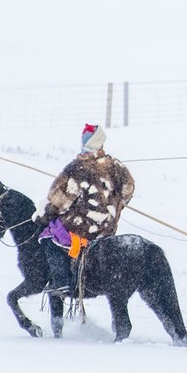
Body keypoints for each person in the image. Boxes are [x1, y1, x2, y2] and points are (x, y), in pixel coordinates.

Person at [35, 124, 136, 299]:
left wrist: (44, 217)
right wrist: (117, 206)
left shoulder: (77, 168)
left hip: (81, 230)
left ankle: (62, 283)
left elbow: (59, 201)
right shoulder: (116, 166)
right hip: (108, 231)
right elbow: (129, 189)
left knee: (48, 237)